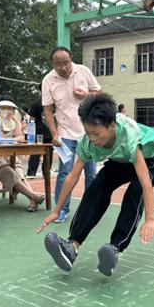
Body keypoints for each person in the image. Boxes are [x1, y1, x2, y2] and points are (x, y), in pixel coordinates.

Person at [37, 93, 154, 276]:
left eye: (96, 133)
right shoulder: (88, 142)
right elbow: (72, 176)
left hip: (145, 158)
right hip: (118, 161)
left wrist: (150, 219)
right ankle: (71, 246)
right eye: (88, 132)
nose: (92, 138)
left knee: (135, 191)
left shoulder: (129, 137)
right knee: (97, 186)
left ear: (112, 126)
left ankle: (114, 249)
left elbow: (144, 182)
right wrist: (57, 210)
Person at [42, 46, 101, 223]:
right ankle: (61, 209)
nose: (63, 67)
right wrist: (54, 134)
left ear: (71, 60)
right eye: (58, 64)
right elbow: (47, 109)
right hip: (66, 132)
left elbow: (99, 94)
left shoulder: (83, 71)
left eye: (66, 62)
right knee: (65, 173)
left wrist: (87, 94)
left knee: (91, 173)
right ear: (53, 64)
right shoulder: (48, 80)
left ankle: (90, 207)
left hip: (88, 132)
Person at [0, 99, 45, 211]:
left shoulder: (14, 122)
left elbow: (21, 138)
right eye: (4, 108)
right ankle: (33, 196)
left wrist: (17, 123)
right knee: (8, 171)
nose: (7, 111)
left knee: (20, 175)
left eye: (10, 108)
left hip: (11, 156)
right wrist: (12, 140)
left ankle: (32, 199)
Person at [26, 84, 53, 178]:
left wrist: (30, 133)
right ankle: (46, 172)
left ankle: (32, 172)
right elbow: (32, 119)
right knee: (48, 152)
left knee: (37, 152)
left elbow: (31, 119)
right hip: (46, 132)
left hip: (42, 133)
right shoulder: (51, 102)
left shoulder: (36, 103)